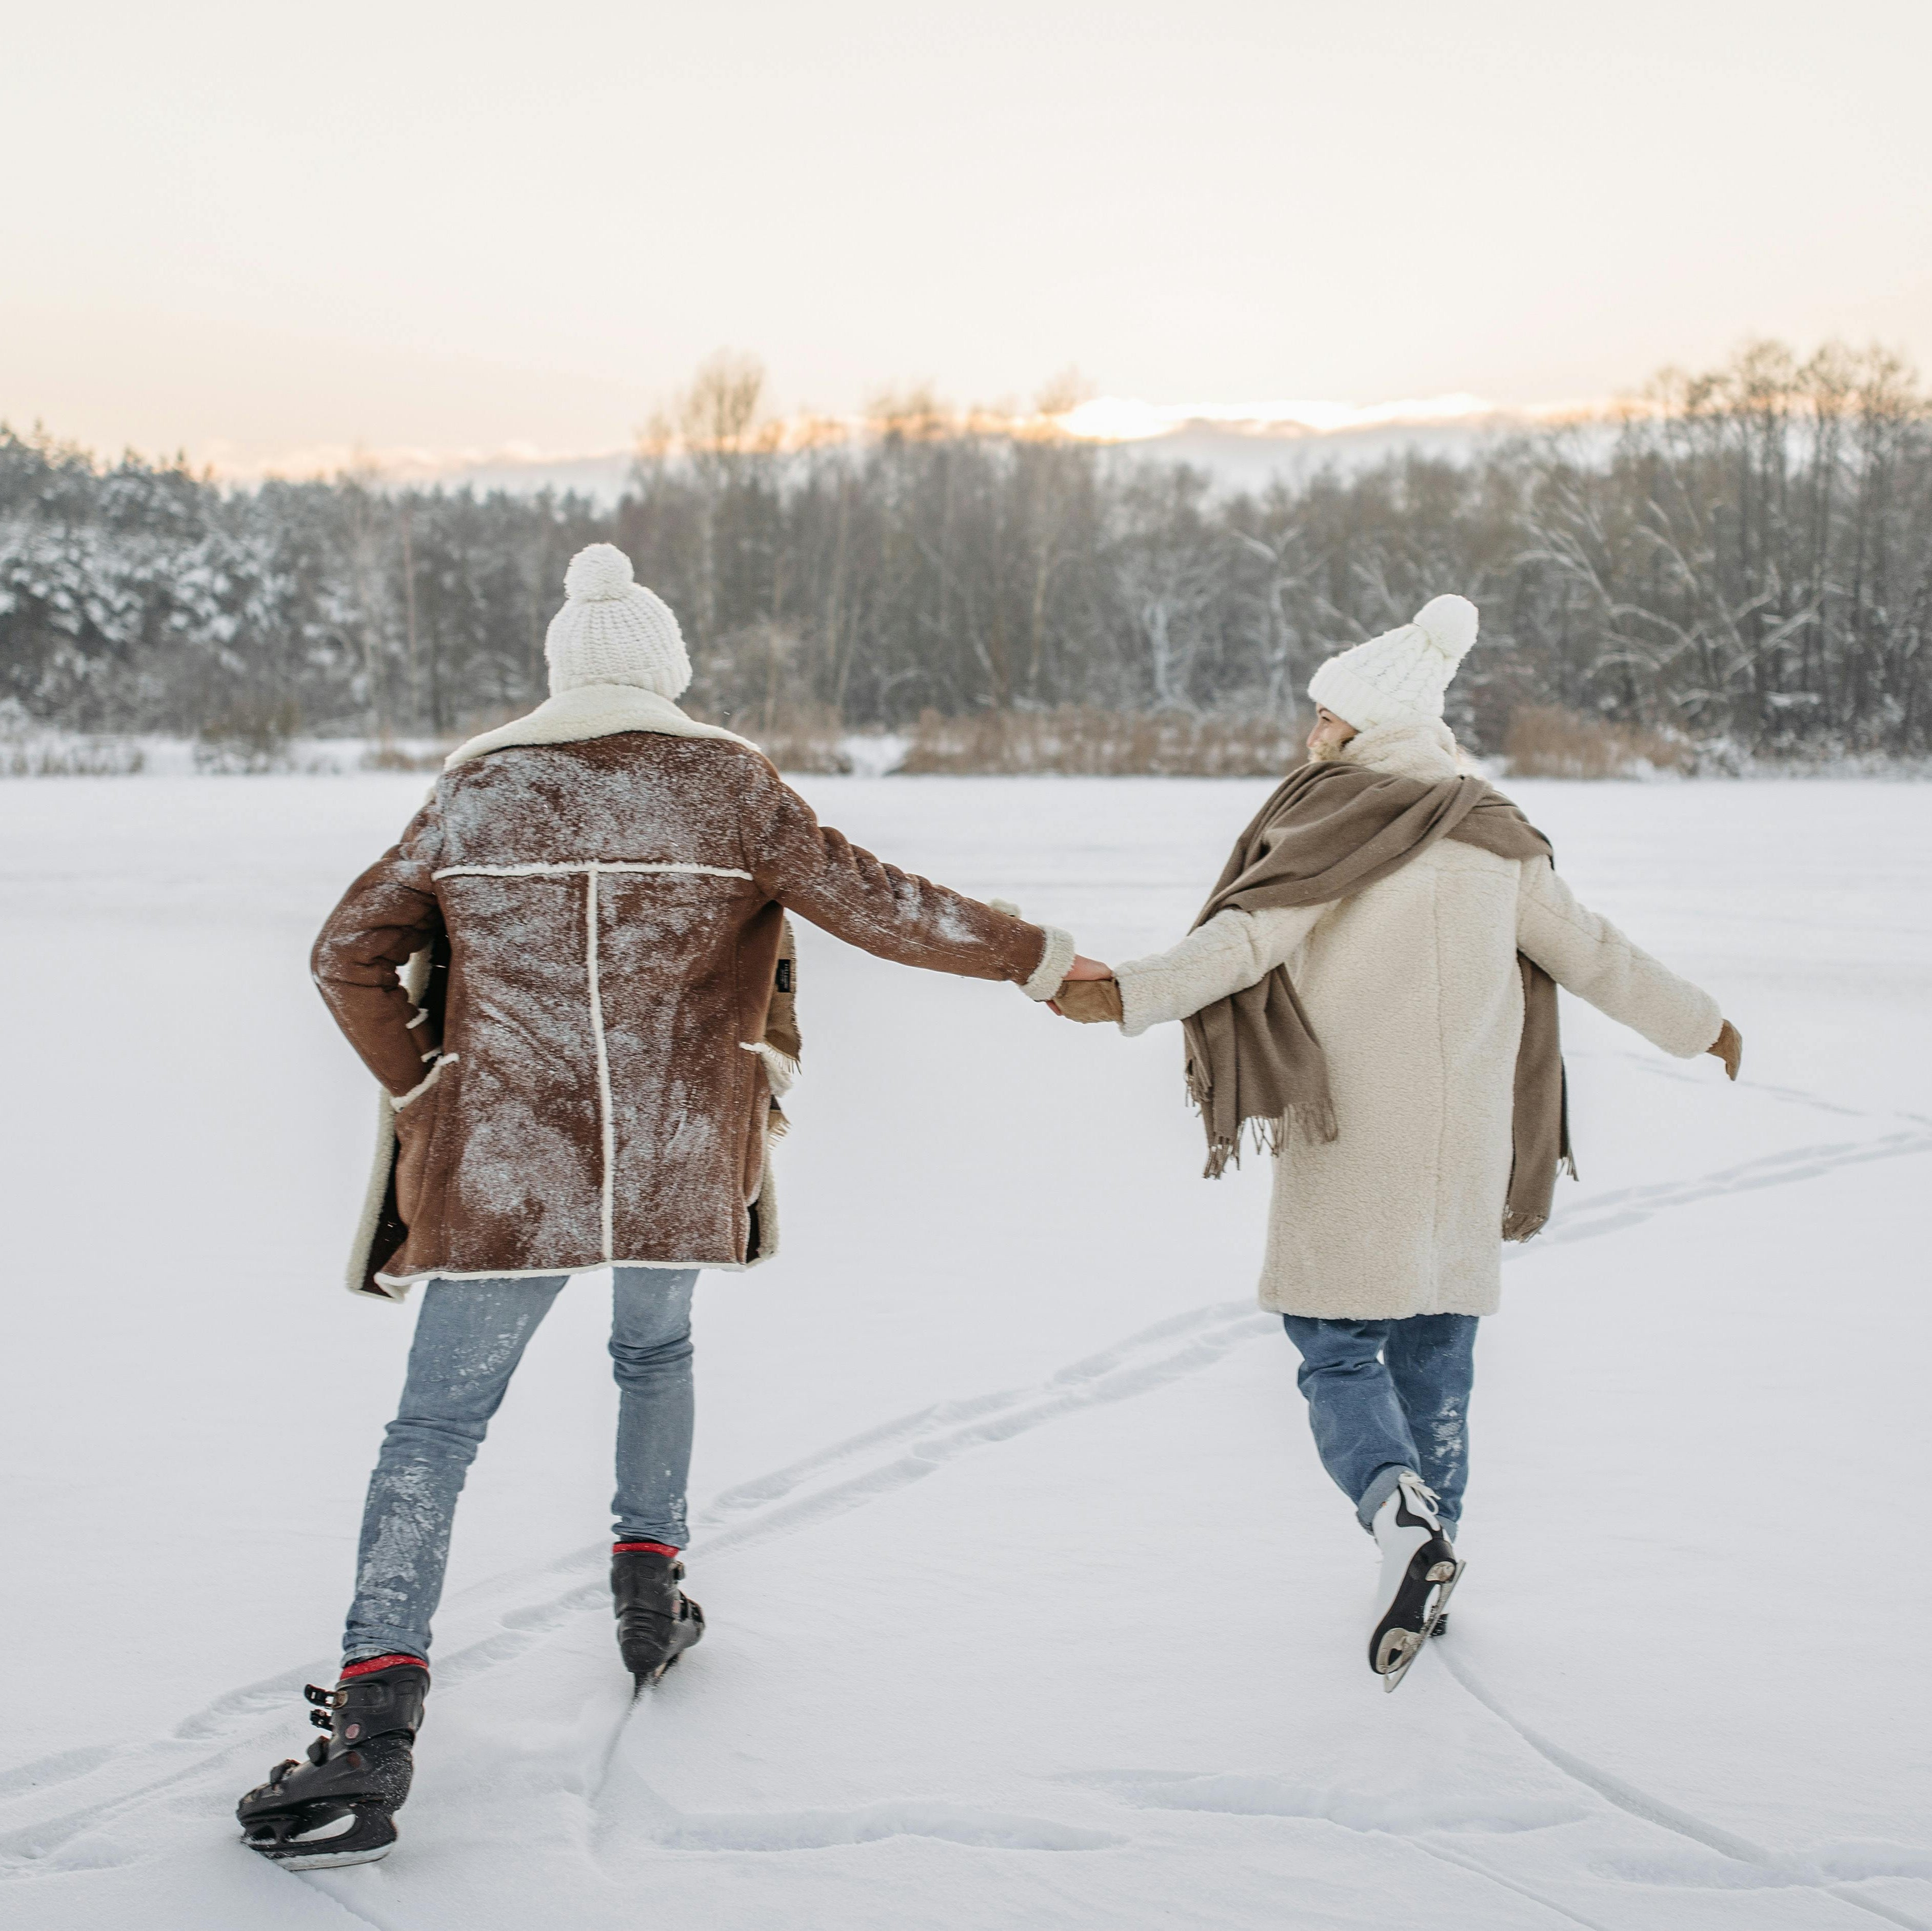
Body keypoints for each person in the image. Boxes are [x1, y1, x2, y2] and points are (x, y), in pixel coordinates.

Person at [237, 543, 1105, 1867]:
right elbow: (885, 905)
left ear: (562, 672)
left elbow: (343, 951)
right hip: (675, 1151)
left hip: (508, 1163)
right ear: (668, 673)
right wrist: (1042, 958)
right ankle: (652, 1584)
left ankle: (372, 1719)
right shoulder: (729, 786)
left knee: (434, 1428)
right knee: (654, 1350)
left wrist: (434, 1084)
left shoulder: (481, 787)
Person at [1052, 594, 1741, 1690]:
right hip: (1467, 1149)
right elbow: (1596, 952)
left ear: (1356, 723)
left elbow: (1241, 942)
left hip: (1353, 1136)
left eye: (1322, 710)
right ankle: (1435, 1563)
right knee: (1439, 1367)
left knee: (1334, 1346)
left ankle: (1395, 1511)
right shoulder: (1495, 837)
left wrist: (1127, 990)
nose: (1310, 727)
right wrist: (1702, 1022)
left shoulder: (1333, 825)